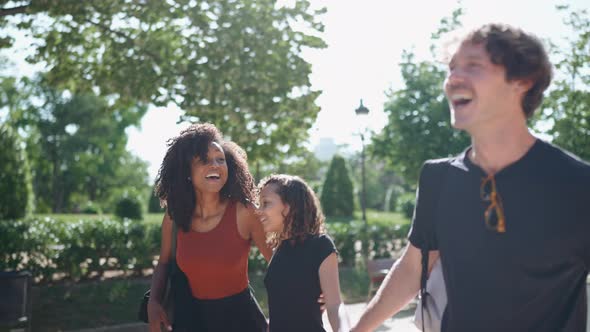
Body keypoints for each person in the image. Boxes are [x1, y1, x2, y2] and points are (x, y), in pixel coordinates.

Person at [352, 23, 590, 332]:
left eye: (473, 66)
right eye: (451, 68)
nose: (453, 79)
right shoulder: (438, 178)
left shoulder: (577, 186)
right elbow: (412, 269)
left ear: (522, 81)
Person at [147, 123, 272, 332]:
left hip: (242, 321)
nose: (215, 164)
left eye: (220, 159)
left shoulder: (244, 211)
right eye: (204, 160)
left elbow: (277, 263)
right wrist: (154, 302)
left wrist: (291, 306)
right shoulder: (175, 216)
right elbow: (164, 262)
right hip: (192, 319)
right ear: (186, 170)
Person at [257, 174, 350, 332]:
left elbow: (334, 305)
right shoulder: (278, 250)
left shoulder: (321, 245)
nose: (259, 211)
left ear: (288, 206)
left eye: (266, 203)